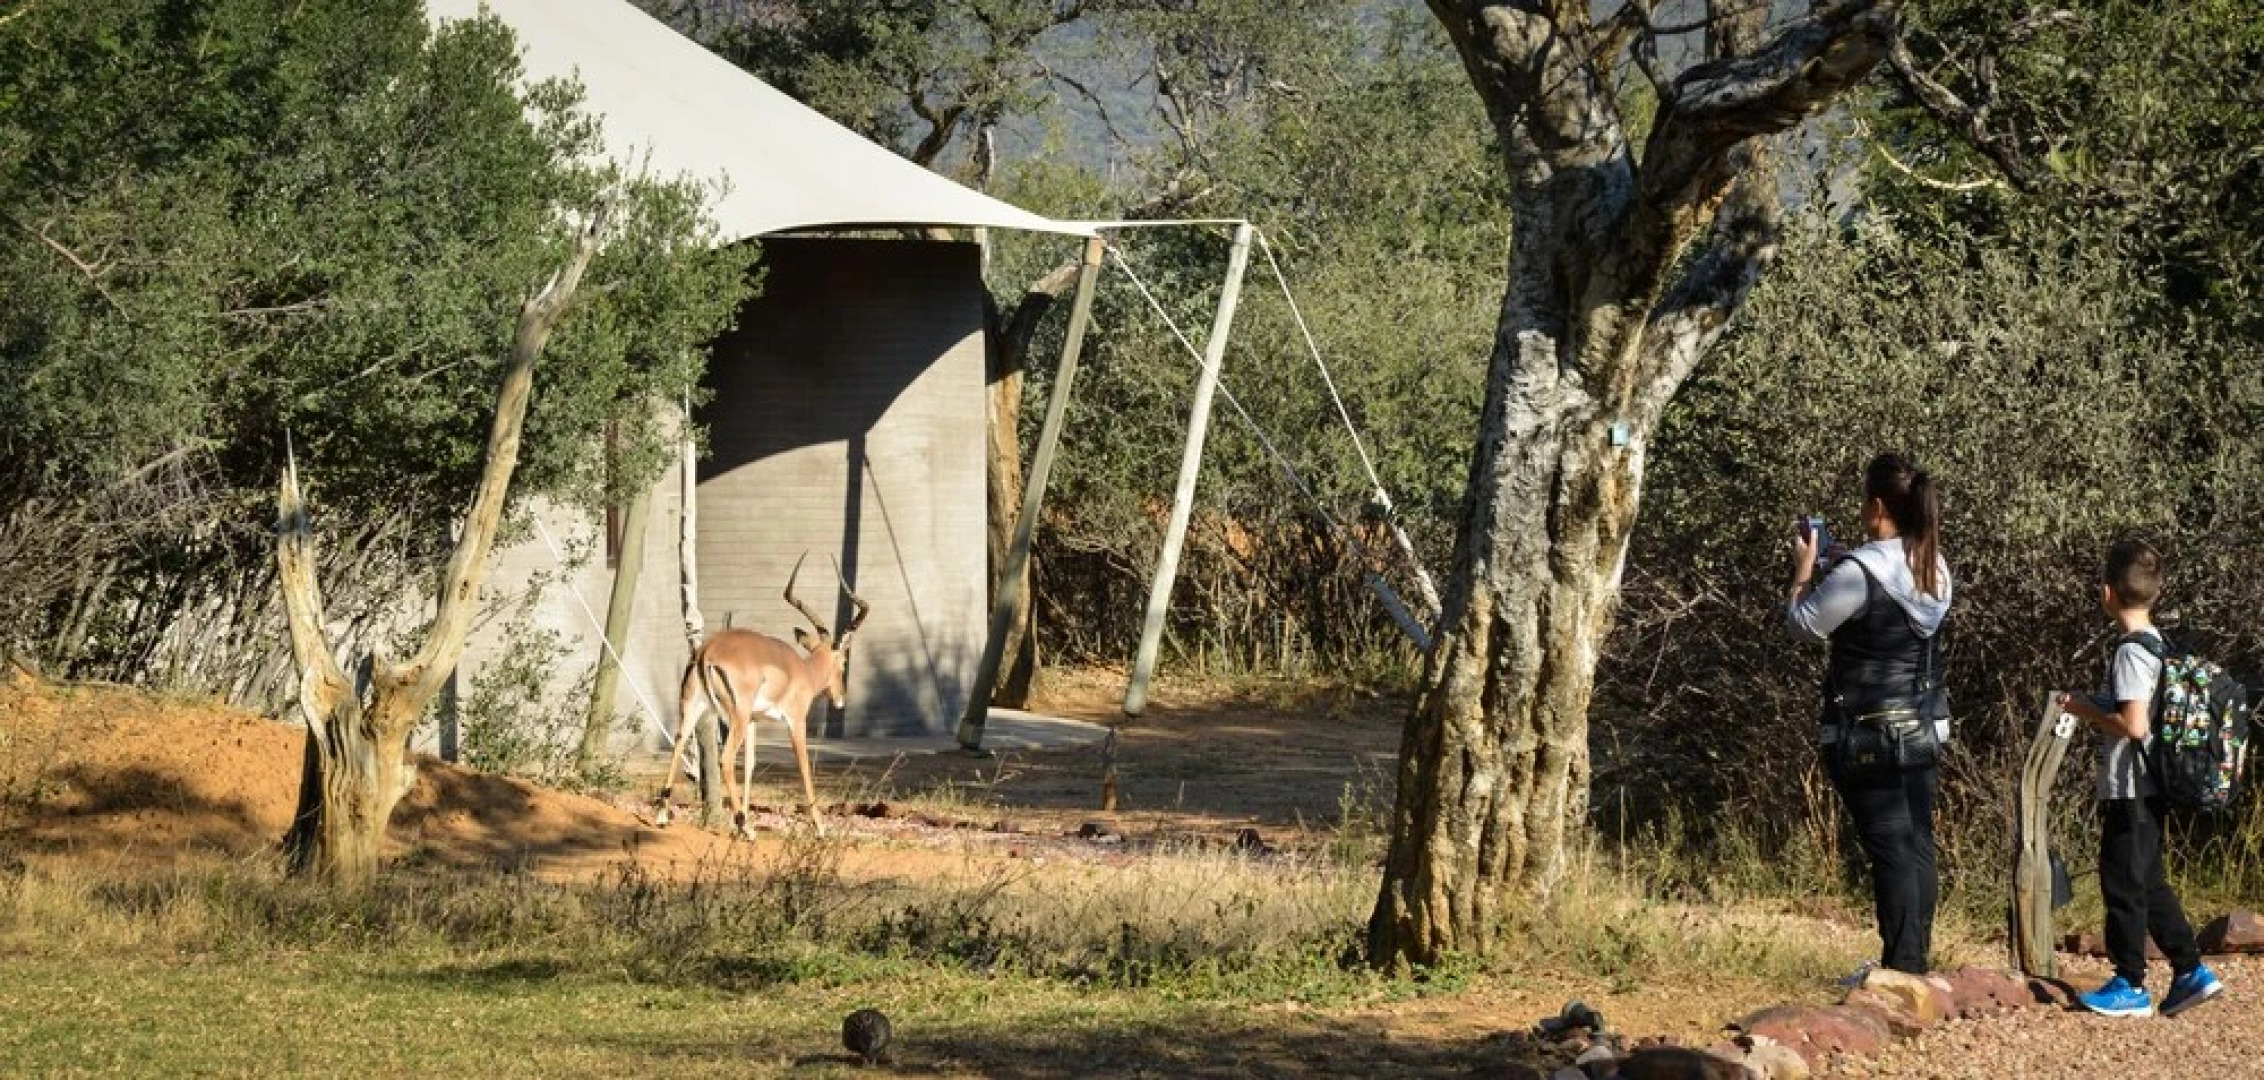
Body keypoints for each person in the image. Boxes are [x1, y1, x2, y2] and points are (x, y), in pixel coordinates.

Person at [1785, 452, 1952, 977]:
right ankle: (1914, 962)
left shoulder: (1861, 571)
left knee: (1890, 849)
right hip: (1922, 723)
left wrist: (1805, 572)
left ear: (1877, 505)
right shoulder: (1933, 564)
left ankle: (1901, 971)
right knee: (1918, 841)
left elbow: (1805, 625)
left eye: (1864, 499)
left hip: (1869, 733)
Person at [2054, 541, 2225, 1018]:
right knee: (2150, 883)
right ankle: (2192, 971)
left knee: (2122, 885)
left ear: (2107, 593)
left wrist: (2084, 709)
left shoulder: (2131, 651)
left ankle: (2130, 983)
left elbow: (2134, 724)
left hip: (2130, 786)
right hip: (2153, 786)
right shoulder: (2159, 643)